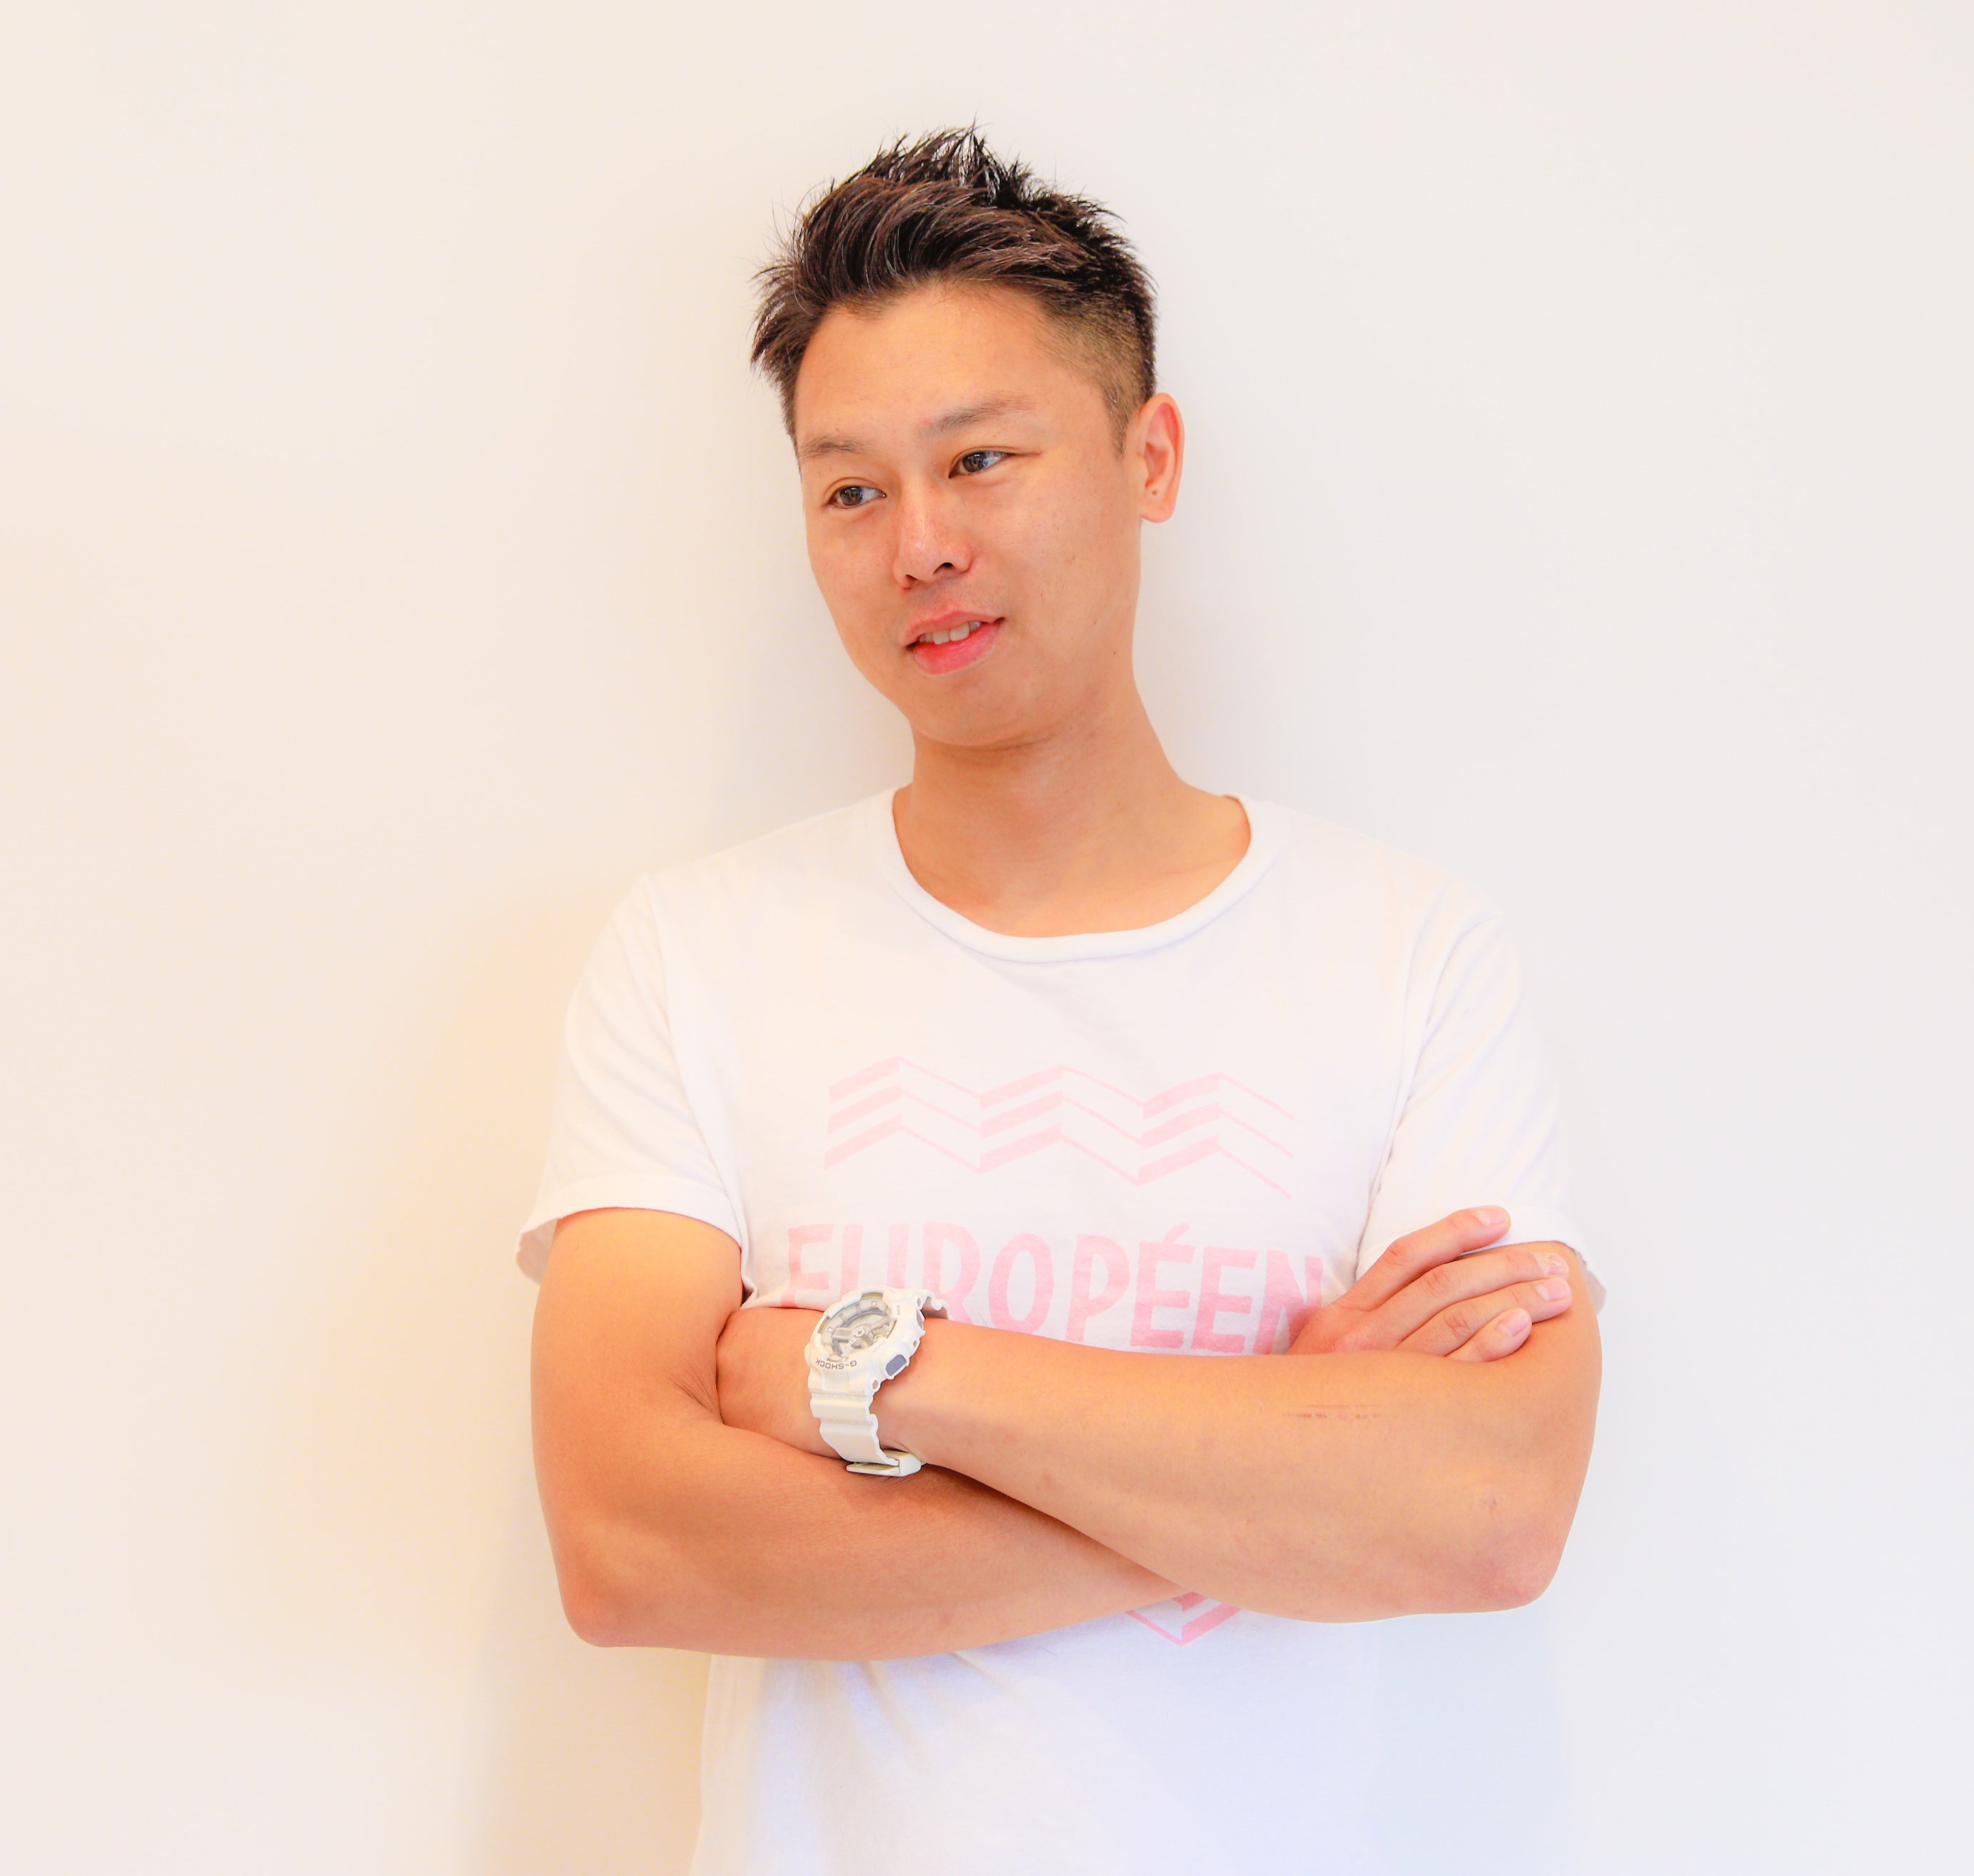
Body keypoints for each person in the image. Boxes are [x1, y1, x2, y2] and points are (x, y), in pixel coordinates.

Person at [518, 130, 1602, 1876]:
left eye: (981, 459)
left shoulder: (1405, 951)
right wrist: (1272, 1469)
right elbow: (631, 1546)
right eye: (850, 491)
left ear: (1145, 455)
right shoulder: (697, 952)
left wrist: (881, 1373)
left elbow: (1483, 1511)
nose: (919, 545)